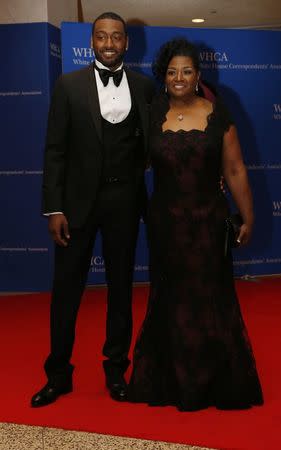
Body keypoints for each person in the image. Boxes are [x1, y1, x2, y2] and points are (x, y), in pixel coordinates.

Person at [128, 38, 264, 411]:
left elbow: (235, 169)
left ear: (198, 75)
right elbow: (135, 163)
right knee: (170, 300)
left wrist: (247, 216)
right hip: (166, 226)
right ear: (164, 76)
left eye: (186, 71)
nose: (179, 77)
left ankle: (211, 382)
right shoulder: (152, 113)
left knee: (209, 300)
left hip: (208, 224)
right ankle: (172, 381)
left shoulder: (217, 115)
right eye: (172, 72)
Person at [31, 12, 155, 407]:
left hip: (124, 204)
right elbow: (55, 151)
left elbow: (152, 145)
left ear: (126, 43)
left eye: (116, 37)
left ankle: (116, 369)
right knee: (66, 291)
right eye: (102, 36)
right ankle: (58, 374)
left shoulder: (145, 86)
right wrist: (54, 208)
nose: (109, 43)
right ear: (92, 40)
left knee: (121, 289)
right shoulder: (68, 86)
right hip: (76, 207)